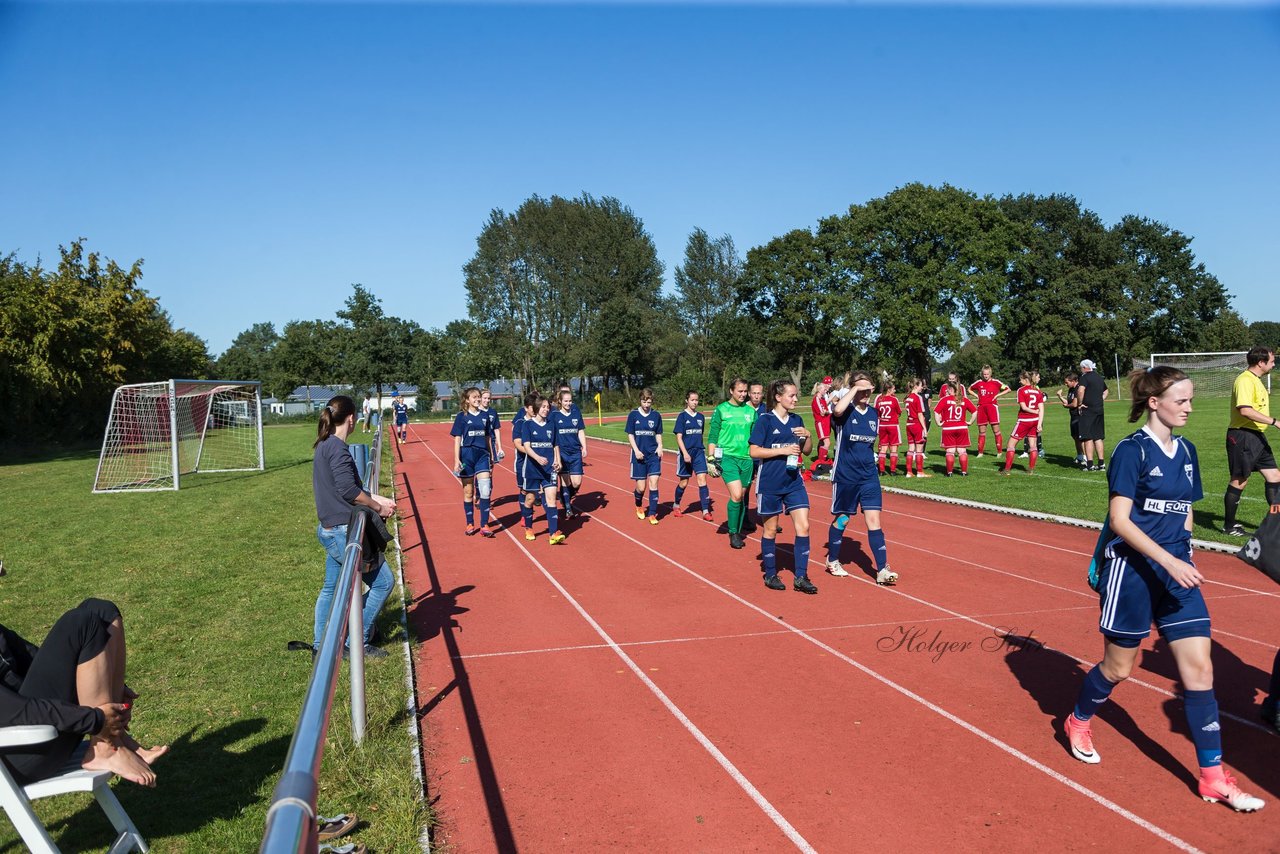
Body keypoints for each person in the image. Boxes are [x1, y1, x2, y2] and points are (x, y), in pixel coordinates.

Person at [1062, 367, 1263, 812]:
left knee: (1200, 674)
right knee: (1119, 669)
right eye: (1182, 400)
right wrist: (1168, 559)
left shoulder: (1187, 450)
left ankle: (1212, 777)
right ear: (1155, 402)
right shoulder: (1131, 451)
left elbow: (1185, 510)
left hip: (1177, 574)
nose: (1190, 407)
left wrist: (1183, 554)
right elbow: (1119, 521)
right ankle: (1078, 719)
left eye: (1190, 400)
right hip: (1131, 573)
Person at [1, 599, 167, 787]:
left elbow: (37, 661)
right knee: (80, 624)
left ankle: (115, 739)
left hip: (47, 731)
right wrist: (96, 720)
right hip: (19, 755)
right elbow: (17, 712)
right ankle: (107, 746)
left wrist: (113, 685)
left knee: (102, 611)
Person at [312, 395, 396, 659]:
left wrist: (377, 498)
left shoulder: (324, 444)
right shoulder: (337, 448)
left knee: (331, 587)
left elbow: (349, 488)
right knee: (384, 582)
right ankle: (353, 641)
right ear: (351, 418)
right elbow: (349, 491)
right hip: (342, 531)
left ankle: (320, 646)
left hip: (330, 528)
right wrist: (378, 508)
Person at [826, 372, 898, 585]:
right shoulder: (843, 411)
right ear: (852, 389)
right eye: (861, 389)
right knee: (843, 518)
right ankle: (832, 560)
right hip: (846, 475)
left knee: (874, 520)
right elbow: (837, 409)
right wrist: (854, 390)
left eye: (869, 389)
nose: (865, 393)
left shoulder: (874, 414)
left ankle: (882, 569)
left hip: (868, 476)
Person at [749, 379, 816, 594]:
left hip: (794, 482)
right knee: (770, 529)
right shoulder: (765, 421)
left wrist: (808, 436)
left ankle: (801, 576)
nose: (796, 399)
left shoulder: (797, 419)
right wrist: (782, 450)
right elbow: (754, 452)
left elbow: (806, 451)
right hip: (770, 483)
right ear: (778, 397)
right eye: (792, 395)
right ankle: (770, 574)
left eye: (796, 395)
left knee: (804, 526)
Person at [1223, 346, 1279, 537]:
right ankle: (1229, 527)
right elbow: (1244, 410)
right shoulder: (1245, 380)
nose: (1273, 363)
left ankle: (1275, 526)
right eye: (1271, 361)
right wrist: (1275, 422)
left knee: (1274, 476)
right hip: (1242, 435)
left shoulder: (1256, 380)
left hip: (1256, 435)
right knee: (1240, 480)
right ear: (1261, 362)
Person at [708, 378, 758, 550]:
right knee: (736, 495)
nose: (743, 394)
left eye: (746, 391)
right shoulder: (722, 409)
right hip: (727, 457)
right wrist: (711, 457)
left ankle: (737, 528)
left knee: (742, 497)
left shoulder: (751, 411)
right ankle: (733, 532)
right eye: (740, 391)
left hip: (746, 459)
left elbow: (756, 436)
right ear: (731, 391)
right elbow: (713, 435)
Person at [450, 387, 500, 537]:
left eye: (479, 397)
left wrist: (492, 456)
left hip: (482, 455)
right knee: (468, 492)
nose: (478, 399)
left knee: (485, 490)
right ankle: (470, 523)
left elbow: (488, 438)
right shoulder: (461, 417)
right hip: (466, 455)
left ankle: (484, 524)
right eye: (474, 397)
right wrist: (456, 459)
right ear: (467, 400)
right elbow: (457, 439)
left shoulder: (486, 416)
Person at [516, 395, 565, 544]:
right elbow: (526, 446)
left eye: (548, 407)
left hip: (549, 469)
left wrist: (557, 460)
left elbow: (555, 444)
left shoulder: (551, 424)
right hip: (532, 468)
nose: (546, 409)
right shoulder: (527, 425)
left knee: (551, 499)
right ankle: (529, 527)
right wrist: (537, 458)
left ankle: (553, 534)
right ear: (537, 408)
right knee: (530, 499)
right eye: (543, 407)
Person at [672, 390, 712, 519]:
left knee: (702, 479)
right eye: (692, 400)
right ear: (687, 401)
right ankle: (676, 505)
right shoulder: (682, 417)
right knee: (684, 482)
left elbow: (700, 435)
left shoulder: (700, 417)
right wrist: (685, 453)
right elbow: (679, 437)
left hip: (699, 452)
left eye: (696, 400)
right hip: (686, 453)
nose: (695, 402)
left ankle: (706, 511)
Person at [625, 388, 664, 525]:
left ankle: (652, 514)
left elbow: (658, 433)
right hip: (639, 455)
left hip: (653, 455)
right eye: (644, 402)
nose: (646, 405)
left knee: (654, 483)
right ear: (640, 400)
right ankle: (638, 504)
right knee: (641, 487)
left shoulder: (656, 415)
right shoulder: (633, 415)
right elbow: (630, 434)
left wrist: (660, 446)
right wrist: (636, 450)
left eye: (649, 402)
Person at [551, 389, 587, 518]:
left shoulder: (576, 414)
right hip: (562, 453)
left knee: (576, 483)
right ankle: (567, 508)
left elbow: (580, 431)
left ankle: (565, 496)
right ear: (560, 401)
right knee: (565, 481)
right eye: (566, 401)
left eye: (570, 401)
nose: (568, 403)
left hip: (575, 452)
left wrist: (584, 447)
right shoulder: (555, 416)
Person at [1002, 371, 1046, 475]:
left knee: (1010, 445)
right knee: (1033, 446)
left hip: (1024, 421)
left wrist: (1033, 411)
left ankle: (1007, 470)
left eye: (1020, 379)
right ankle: (1030, 470)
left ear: (1025, 379)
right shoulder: (1037, 391)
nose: (1019, 381)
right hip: (1035, 421)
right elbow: (1042, 409)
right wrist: (1040, 423)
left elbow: (1024, 407)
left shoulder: (1021, 390)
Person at [933, 381, 977, 476]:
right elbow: (974, 411)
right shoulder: (964, 399)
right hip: (962, 427)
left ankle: (949, 473)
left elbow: (936, 412)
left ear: (950, 389)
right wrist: (970, 422)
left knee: (950, 451)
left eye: (947, 389)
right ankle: (964, 472)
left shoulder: (944, 400)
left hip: (948, 428)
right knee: (962, 451)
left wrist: (938, 423)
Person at [969, 365, 1010, 457]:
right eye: (984, 374)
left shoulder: (996, 382)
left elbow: (1008, 389)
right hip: (981, 407)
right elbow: (969, 389)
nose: (986, 376)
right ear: (982, 374)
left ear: (990, 374)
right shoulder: (979, 382)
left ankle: (999, 452)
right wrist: (977, 396)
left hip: (992, 407)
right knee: (982, 431)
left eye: (987, 374)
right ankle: (980, 452)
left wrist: (997, 396)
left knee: (996, 430)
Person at [1076, 359, 1110, 471]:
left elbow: (1081, 391)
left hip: (1088, 410)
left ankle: (1090, 464)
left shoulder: (1084, 377)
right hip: (1099, 409)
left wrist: (1080, 404)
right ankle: (1101, 464)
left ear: (1085, 367)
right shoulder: (1099, 377)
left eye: (1081, 368)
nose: (1081, 370)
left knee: (1087, 437)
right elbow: (1106, 391)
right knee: (1098, 436)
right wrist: (1099, 400)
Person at [806, 376, 834, 482]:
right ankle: (821, 462)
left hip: (825, 422)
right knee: (826, 442)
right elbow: (822, 412)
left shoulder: (822, 399)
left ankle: (822, 461)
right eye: (823, 389)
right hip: (821, 423)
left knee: (825, 443)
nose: (825, 390)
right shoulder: (817, 399)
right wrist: (830, 412)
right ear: (819, 389)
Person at [903, 377, 931, 478]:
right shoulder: (917, 397)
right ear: (915, 386)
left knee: (910, 449)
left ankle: (909, 472)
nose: (921, 388)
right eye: (920, 386)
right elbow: (920, 414)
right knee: (919, 449)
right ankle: (920, 472)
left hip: (909, 424)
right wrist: (924, 428)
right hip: (916, 424)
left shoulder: (908, 397)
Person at [874, 378, 902, 476]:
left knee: (883, 448)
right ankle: (893, 470)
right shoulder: (894, 399)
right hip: (893, 425)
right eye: (893, 388)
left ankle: (881, 470)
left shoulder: (879, 399)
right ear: (889, 389)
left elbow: (877, 413)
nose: (894, 390)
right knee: (893, 448)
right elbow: (899, 412)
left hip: (882, 425)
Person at [1057, 373, 1086, 466]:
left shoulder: (1078, 389)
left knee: (1080, 438)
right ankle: (1080, 456)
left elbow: (1074, 404)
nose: (1066, 384)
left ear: (1073, 381)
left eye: (1067, 382)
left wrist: (1066, 406)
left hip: (1079, 416)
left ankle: (1085, 458)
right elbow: (1068, 402)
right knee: (1075, 437)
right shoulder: (1071, 389)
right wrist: (1060, 396)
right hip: (1073, 416)